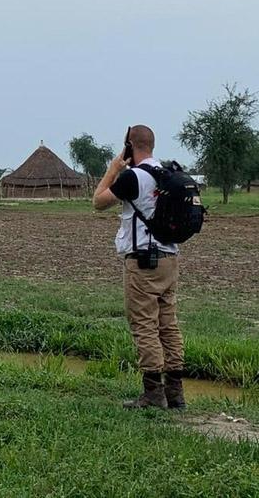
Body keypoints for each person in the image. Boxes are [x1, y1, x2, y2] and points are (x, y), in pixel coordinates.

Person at [93, 125, 184, 410]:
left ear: (130, 146)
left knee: (144, 324)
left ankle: (152, 394)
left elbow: (99, 201)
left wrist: (113, 169)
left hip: (143, 261)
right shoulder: (168, 174)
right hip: (170, 259)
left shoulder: (133, 176)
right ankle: (175, 394)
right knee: (168, 325)